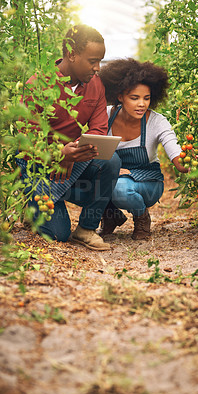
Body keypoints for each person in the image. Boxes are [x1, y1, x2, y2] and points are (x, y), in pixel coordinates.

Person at [16, 24, 121, 251]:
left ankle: (86, 228)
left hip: (73, 162)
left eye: (100, 61)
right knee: (57, 234)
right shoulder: (38, 85)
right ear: (72, 54)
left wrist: (75, 153)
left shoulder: (96, 85)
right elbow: (27, 138)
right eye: (92, 60)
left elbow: (99, 129)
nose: (97, 68)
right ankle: (33, 198)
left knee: (111, 161)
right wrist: (59, 153)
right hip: (39, 166)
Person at [98, 58, 189, 240]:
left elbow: (175, 153)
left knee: (119, 187)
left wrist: (188, 161)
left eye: (146, 98)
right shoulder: (105, 115)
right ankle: (111, 215)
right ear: (120, 96)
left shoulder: (157, 122)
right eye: (135, 98)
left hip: (147, 183)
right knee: (97, 174)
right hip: (114, 177)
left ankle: (141, 216)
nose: (142, 104)